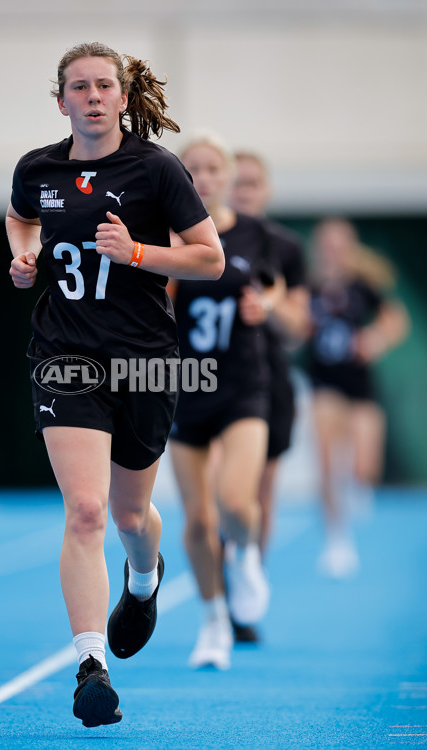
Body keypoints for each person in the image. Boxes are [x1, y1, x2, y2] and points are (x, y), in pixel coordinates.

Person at [5, 43, 224, 727]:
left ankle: (143, 578)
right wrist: (23, 252)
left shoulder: (157, 169)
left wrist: (135, 252)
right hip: (65, 355)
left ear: (124, 99)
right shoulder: (37, 170)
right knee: (87, 512)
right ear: (62, 100)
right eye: (80, 87)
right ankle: (90, 665)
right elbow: (21, 215)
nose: (93, 96)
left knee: (132, 517)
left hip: (144, 360)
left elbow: (209, 260)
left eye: (105, 85)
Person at [168, 134, 283, 670]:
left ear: (227, 177)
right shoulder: (168, 239)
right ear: (181, 178)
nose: (204, 178)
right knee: (195, 520)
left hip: (243, 384)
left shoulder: (256, 233)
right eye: (193, 169)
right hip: (186, 385)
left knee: (237, 501)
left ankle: (246, 557)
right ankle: (213, 623)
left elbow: (274, 285)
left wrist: (267, 302)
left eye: (214, 169)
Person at [305, 218, 409, 577]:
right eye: (327, 243)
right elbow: (297, 325)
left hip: (360, 384)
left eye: (340, 243)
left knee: (365, 468)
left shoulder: (363, 285)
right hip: (324, 382)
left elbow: (396, 319)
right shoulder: (310, 286)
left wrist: (375, 339)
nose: (333, 250)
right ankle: (336, 539)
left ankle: (353, 487)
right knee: (326, 463)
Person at [230, 151, 310, 573]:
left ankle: (250, 573)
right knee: (214, 491)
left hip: (266, 377)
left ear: (266, 190)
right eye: (236, 182)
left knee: (261, 489)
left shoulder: (284, 247)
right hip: (210, 377)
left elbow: (298, 327)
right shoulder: (200, 240)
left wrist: (267, 305)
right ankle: (219, 580)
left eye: (252, 183)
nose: (243, 191)